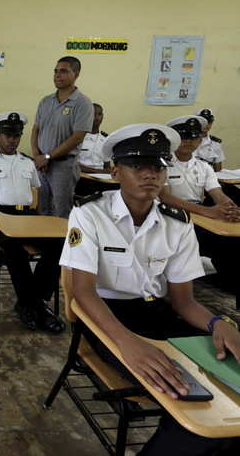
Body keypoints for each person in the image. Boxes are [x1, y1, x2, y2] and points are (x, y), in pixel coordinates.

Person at [60, 123, 240, 455]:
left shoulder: (178, 222)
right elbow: (82, 292)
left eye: (157, 165)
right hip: (106, 318)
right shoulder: (89, 214)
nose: (150, 174)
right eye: (137, 165)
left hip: (159, 313)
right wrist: (127, 342)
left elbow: (183, 301)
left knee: (230, 394)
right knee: (189, 400)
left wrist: (219, 324)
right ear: (115, 171)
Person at [0, 112, 65, 333]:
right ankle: (36, 307)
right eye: (8, 135)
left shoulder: (28, 163)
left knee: (58, 245)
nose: (13, 140)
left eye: (17, 135)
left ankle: (31, 302)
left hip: (26, 217)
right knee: (14, 249)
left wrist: (41, 221)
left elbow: (35, 195)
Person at [158, 115, 240, 291]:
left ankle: (226, 283)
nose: (188, 142)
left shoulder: (204, 167)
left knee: (230, 237)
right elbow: (166, 197)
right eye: (183, 137)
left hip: (198, 214)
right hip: (169, 214)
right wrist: (207, 211)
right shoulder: (162, 164)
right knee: (214, 239)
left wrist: (230, 208)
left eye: (193, 137)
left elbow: (217, 193)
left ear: (199, 140)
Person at [30, 56, 94, 218]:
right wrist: (37, 156)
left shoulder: (82, 103)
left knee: (61, 212)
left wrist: (48, 156)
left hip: (63, 167)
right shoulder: (45, 101)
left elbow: (77, 137)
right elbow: (35, 129)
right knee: (41, 208)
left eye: (64, 71)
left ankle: (60, 244)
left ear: (76, 74)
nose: (58, 75)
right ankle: (42, 244)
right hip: (41, 166)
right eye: (56, 71)